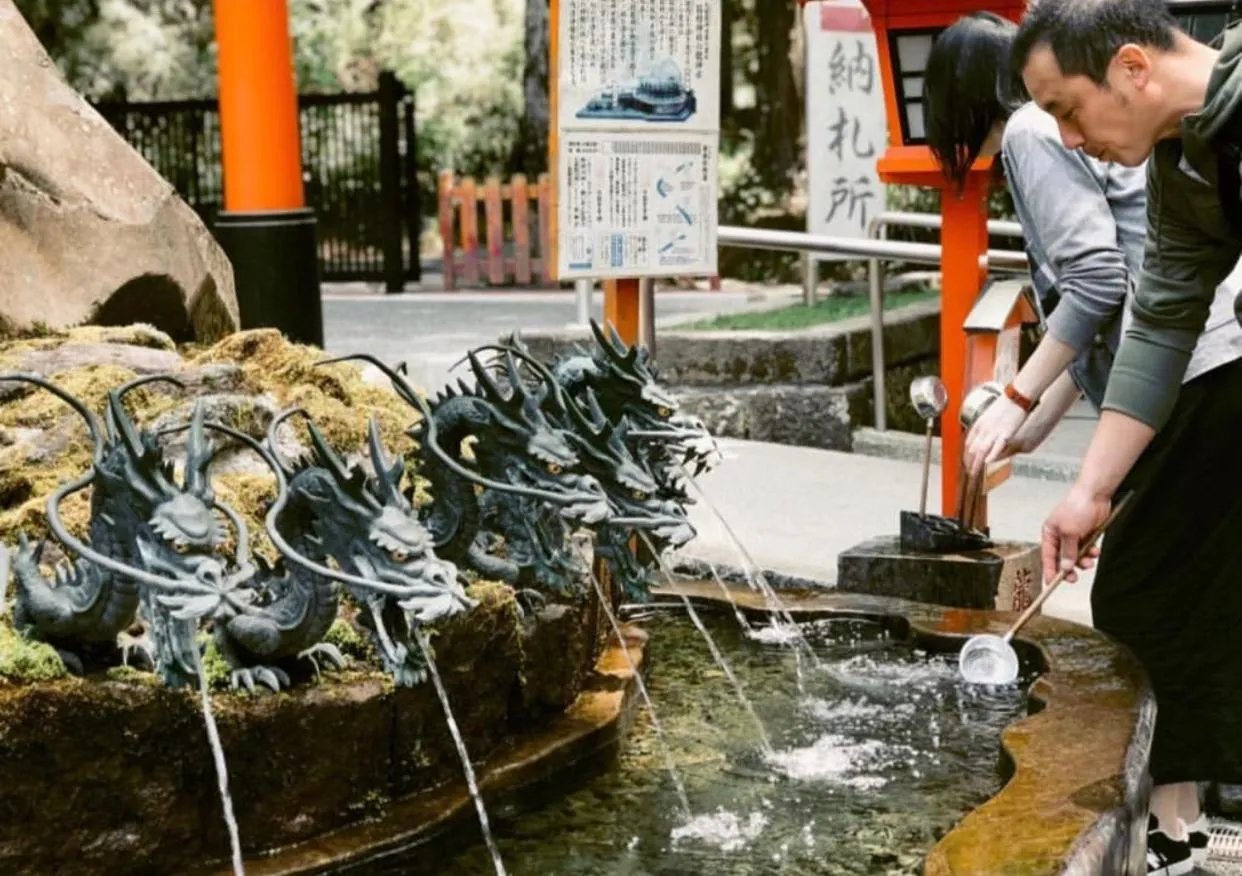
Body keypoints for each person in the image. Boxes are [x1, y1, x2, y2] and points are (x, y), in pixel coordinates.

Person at [1012, 1, 1242, 873]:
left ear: (1133, 68)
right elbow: (1161, 319)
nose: (1070, 140)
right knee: (1148, 600)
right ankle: (1183, 824)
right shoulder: (1184, 164)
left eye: (1068, 109)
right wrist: (1089, 491)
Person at [924, 11, 1147, 476]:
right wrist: (1035, 423)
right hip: (1184, 358)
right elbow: (1095, 319)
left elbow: (1098, 284)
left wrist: (1016, 399)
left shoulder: (1029, 130)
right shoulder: (1051, 123)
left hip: (1173, 369)